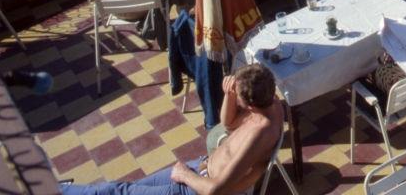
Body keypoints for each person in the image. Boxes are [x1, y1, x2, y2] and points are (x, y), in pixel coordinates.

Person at [61, 63, 284, 195]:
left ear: (251, 107)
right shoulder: (269, 103)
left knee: (116, 191)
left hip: (194, 188)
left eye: (239, 100)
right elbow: (228, 124)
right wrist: (230, 94)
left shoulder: (260, 132)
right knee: (126, 188)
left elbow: (215, 190)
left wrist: (185, 175)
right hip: (200, 168)